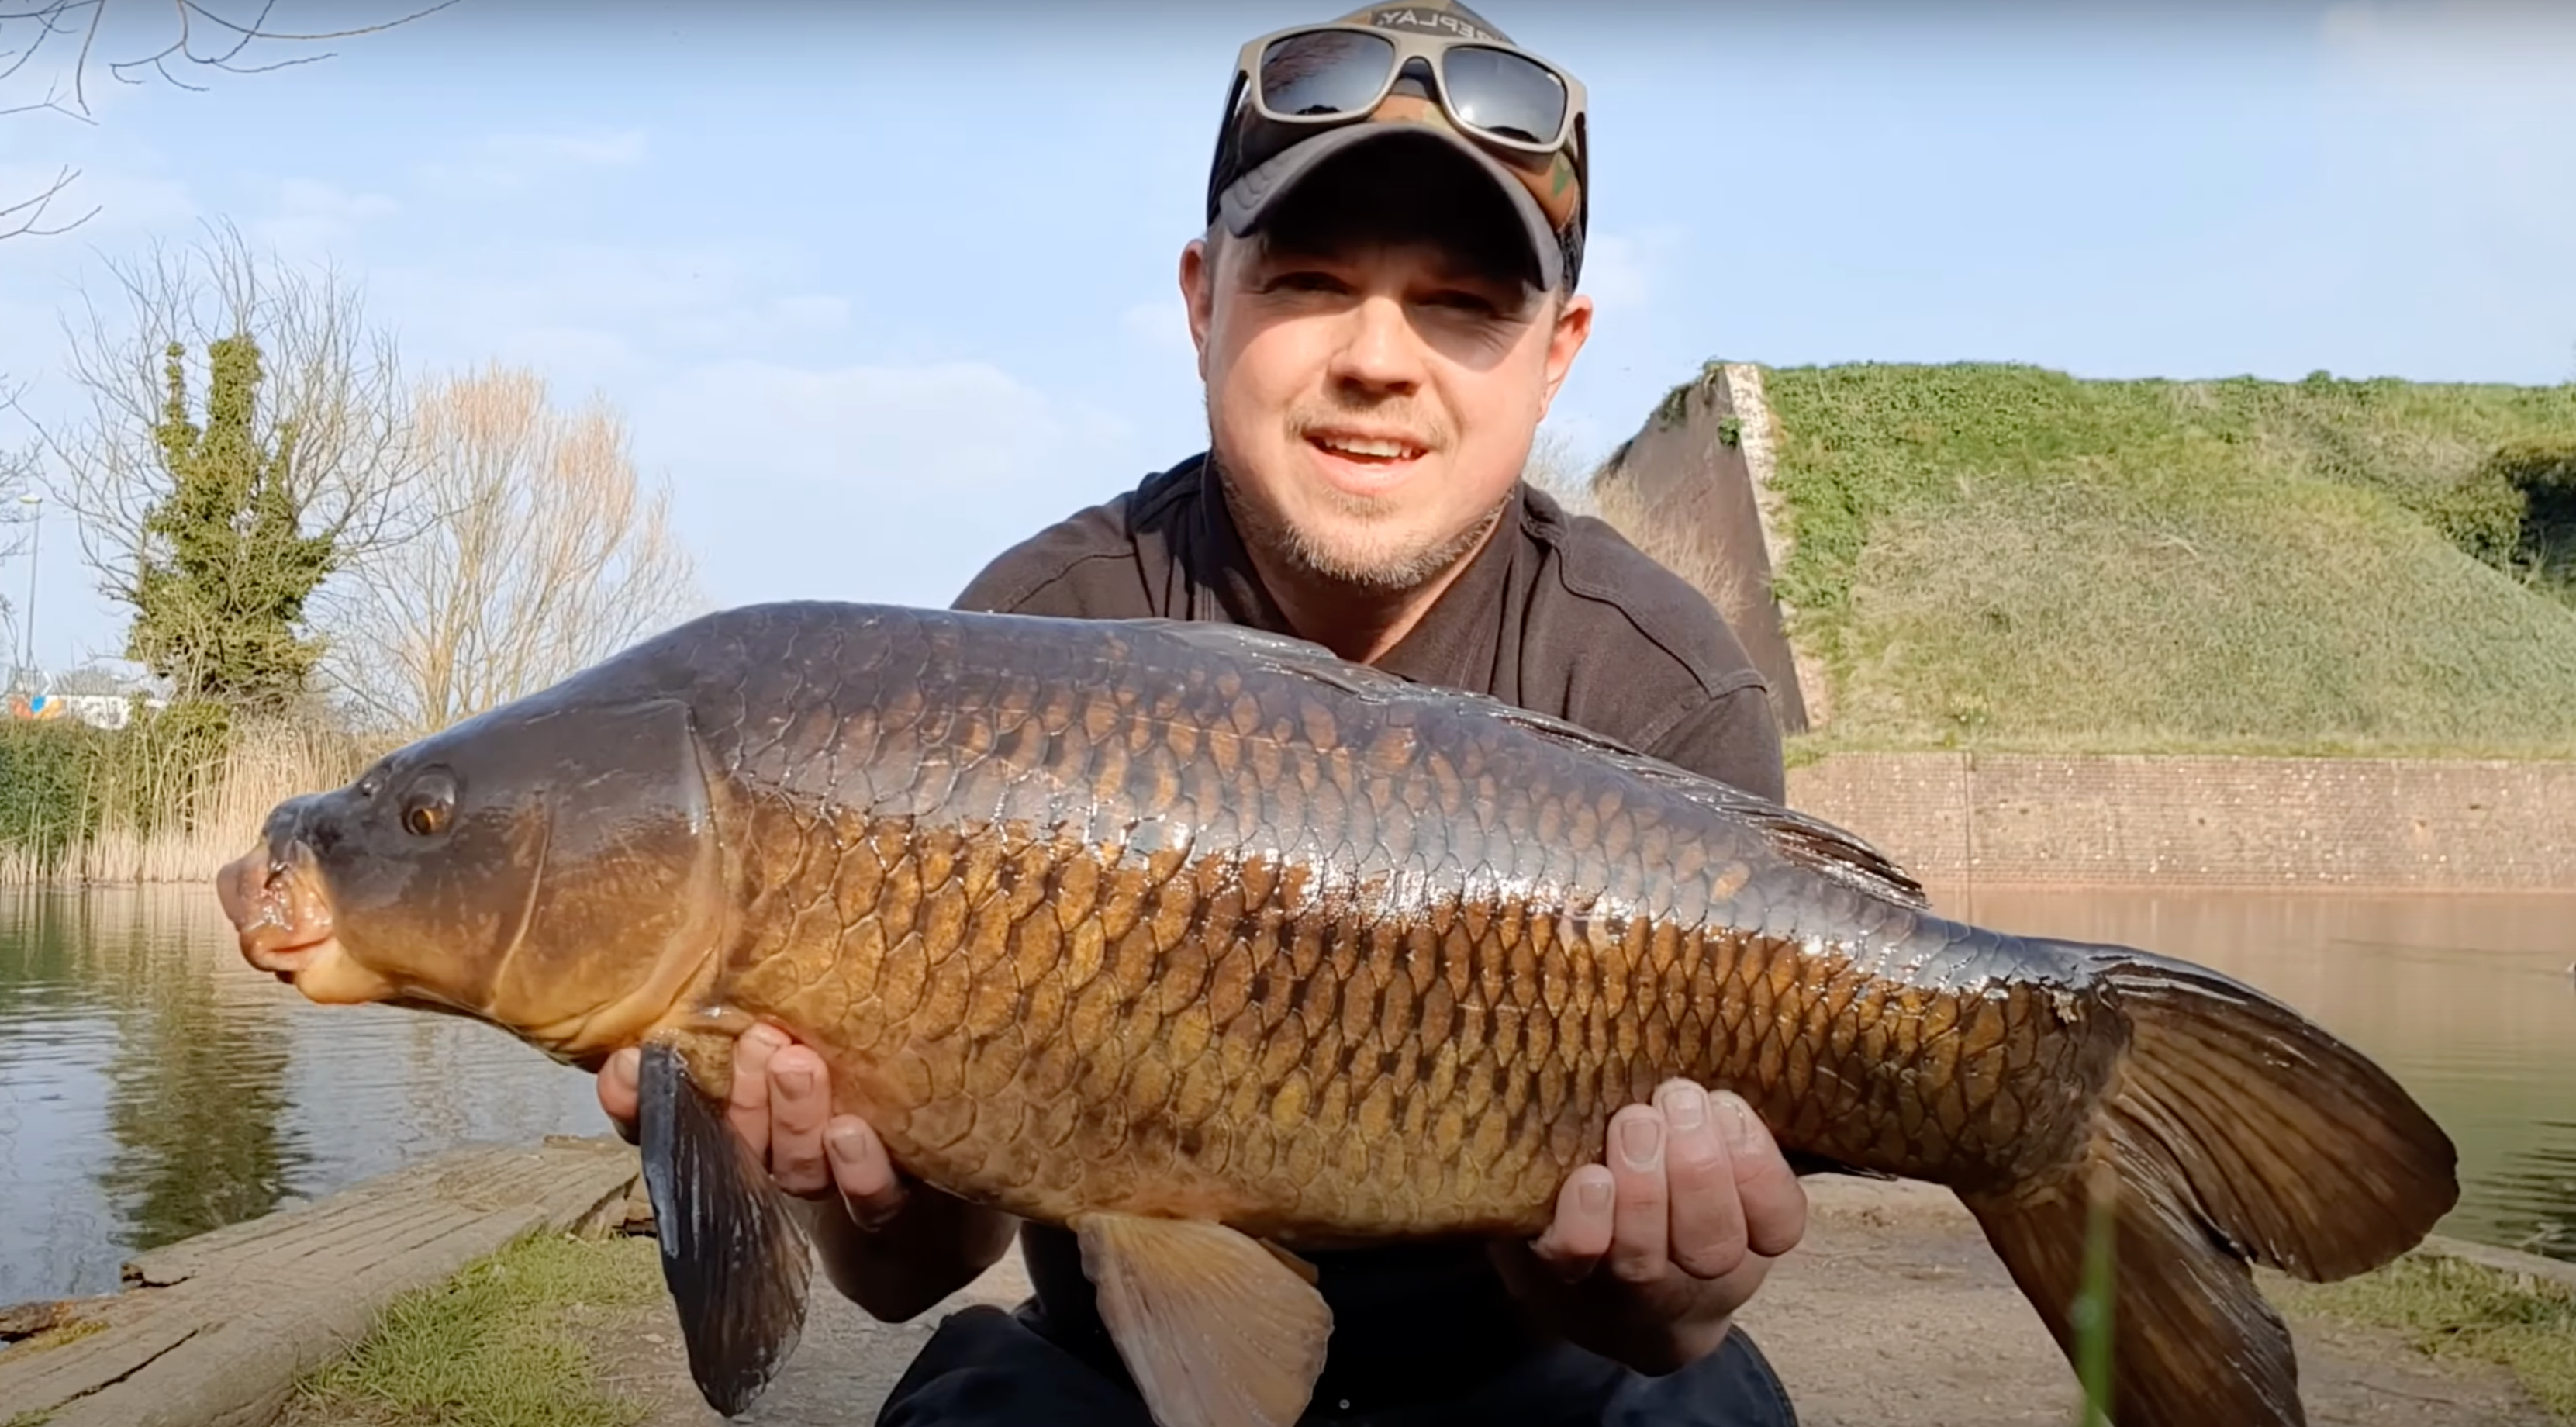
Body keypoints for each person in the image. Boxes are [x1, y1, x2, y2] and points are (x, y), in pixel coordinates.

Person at [599, 3, 1811, 1422]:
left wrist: (1659, 1278)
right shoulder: (1027, 640)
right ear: (1199, 302)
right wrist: (843, 1178)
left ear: (1558, 351)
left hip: (1540, 1364)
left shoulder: (1659, 686)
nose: (1376, 355)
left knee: (1694, 1402)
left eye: (1465, 305)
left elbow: (1655, 1328)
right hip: (1126, 1351)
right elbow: (912, 1268)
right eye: (1305, 280)